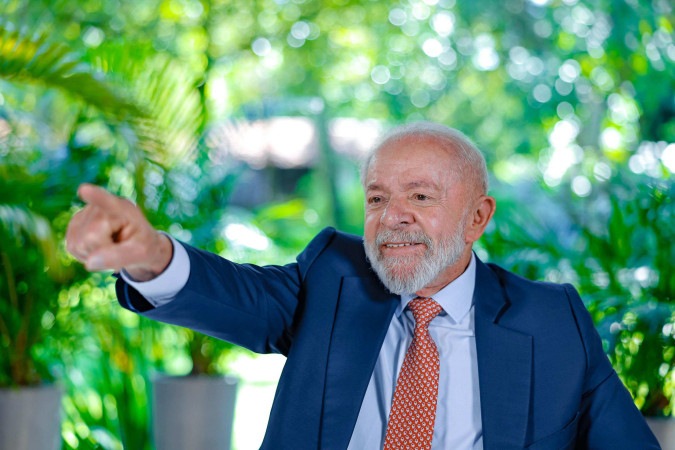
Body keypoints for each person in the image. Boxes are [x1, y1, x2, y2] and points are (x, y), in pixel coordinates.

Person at [66, 122, 660, 450]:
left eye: (420, 196)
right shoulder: (335, 278)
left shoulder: (551, 321)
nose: (393, 216)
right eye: (377, 198)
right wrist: (150, 255)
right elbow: (235, 294)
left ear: (477, 217)